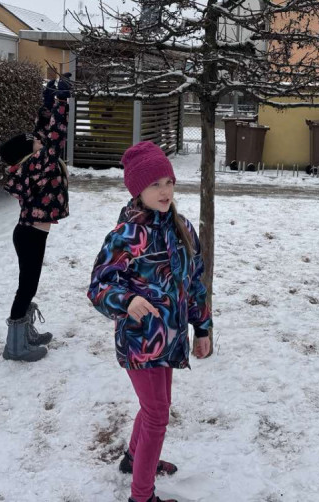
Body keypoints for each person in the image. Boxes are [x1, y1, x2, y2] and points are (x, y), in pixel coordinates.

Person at [87, 141, 213, 502]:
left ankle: (134, 458)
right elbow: (99, 286)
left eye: (168, 182)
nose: (165, 191)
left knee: (156, 407)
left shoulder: (182, 228)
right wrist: (127, 301)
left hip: (171, 339)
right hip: (139, 340)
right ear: (137, 190)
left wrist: (202, 327)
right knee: (157, 414)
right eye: (155, 184)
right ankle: (141, 496)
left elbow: (195, 281)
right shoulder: (126, 235)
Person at [0, 74, 72, 362]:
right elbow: (55, 137)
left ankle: (24, 333)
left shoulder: (32, 161)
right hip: (30, 235)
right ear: (28, 153)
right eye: (35, 143)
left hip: (29, 233)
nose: (39, 140)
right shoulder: (36, 165)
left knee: (28, 286)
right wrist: (62, 103)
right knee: (26, 287)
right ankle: (15, 346)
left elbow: (41, 134)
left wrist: (47, 105)